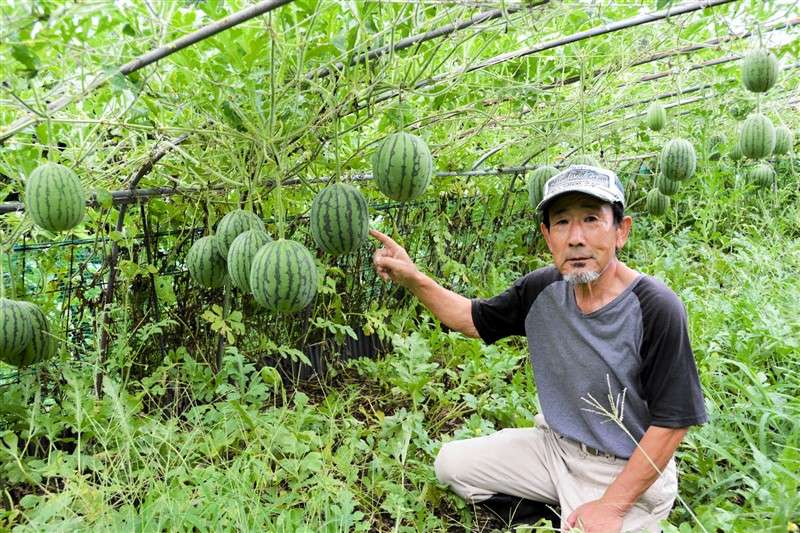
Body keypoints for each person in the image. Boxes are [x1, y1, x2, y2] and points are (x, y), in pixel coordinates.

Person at [369, 165, 709, 533]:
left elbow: (673, 424)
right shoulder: (541, 289)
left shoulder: (654, 306)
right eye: (562, 222)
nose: (575, 237)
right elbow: (470, 318)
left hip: (622, 470)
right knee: (451, 465)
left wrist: (612, 507)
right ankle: (559, 510)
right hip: (556, 450)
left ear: (621, 231)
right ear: (548, 236)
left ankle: (605, 516)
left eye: (591, 219)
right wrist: (413, 278)